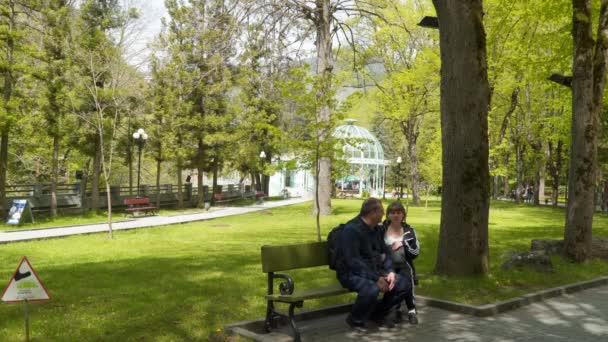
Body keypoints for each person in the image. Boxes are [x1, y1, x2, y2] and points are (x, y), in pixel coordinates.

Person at [335, 198, 410, 330]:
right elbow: (353, 262)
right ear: (372, 213)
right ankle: (355, 319)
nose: (383, 214)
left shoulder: (376, 229)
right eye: (381, 211)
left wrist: (391, 271)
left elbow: (385, 252)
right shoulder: (351, 230)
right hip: (350, 273)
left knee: (402, 283)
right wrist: (377, 278)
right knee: (371, 288)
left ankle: (376, 314)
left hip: (374, 270)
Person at [381, 201, 420, 324]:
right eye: (392, 213)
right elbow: (375, 247)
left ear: (403, 215)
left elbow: (415, 253)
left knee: (406, 276)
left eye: (398, 212)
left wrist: (403, 243)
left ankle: (411, 310)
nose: (395, 215)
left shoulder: (409, 231)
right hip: (385, 266)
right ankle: (393, 309)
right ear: (388, 215)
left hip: (404, 264)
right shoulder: (381, 229)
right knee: (396, 280)